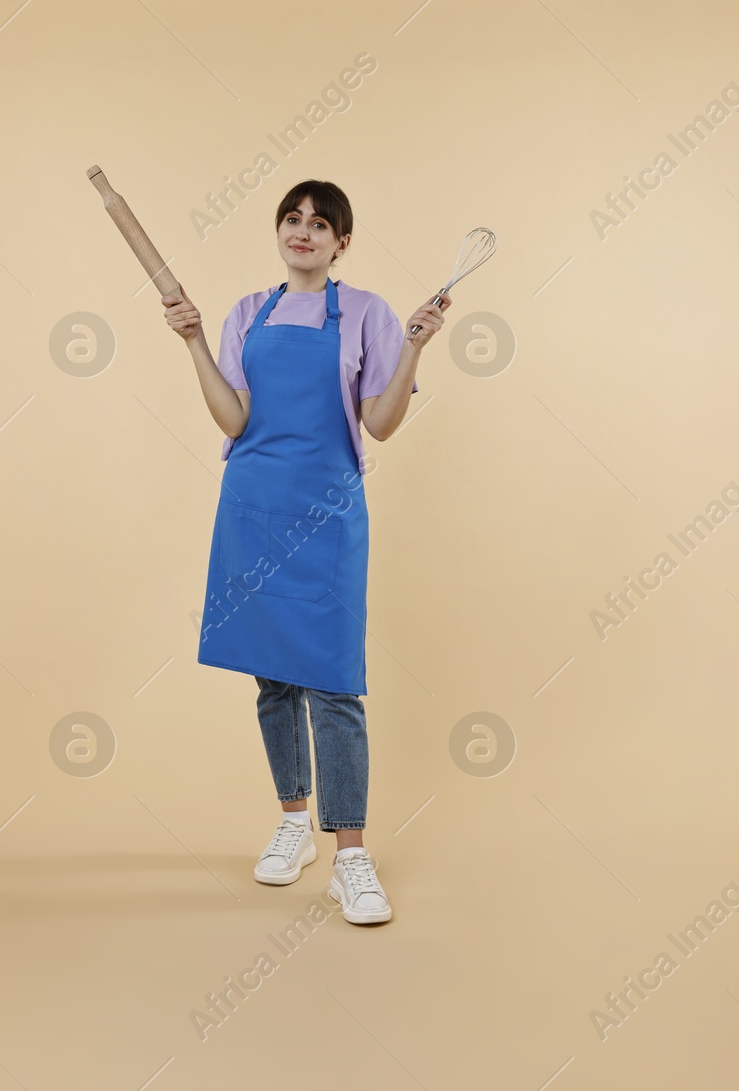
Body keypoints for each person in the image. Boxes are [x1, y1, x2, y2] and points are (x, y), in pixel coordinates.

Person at [161, 179, 448, 925]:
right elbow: (233, 415)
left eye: (321, 224)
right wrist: (193, 341)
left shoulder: (367, 315)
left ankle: (350, 852)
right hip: (254, 506)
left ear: (341, 242)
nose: (304, 232)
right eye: (293, 219)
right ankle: (295, 820)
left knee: (333, 683)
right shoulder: (247, 313)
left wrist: (413, 345)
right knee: (273, 680)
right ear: (279, 230)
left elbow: (381, 423)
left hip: (327, 514)